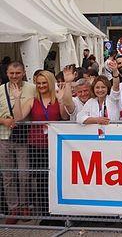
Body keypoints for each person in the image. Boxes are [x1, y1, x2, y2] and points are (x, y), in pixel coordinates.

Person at [13, 70, 72, 215]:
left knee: (56, 178)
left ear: (50, 82)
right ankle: (44, 212)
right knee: (40, 179)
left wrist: (60, 101)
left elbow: (64, 117)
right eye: (38, 83)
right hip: (36, 146)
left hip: (54, 145)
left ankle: (58, 211)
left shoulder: (57, 97)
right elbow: (18, 118)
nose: (41, 85)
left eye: (44, 82)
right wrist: (16, 99)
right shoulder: (32, 101)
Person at [0, 61, 36, 223]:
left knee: (24, 173)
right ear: (7, 74)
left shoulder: (31, 88)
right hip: (4, 136)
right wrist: (3, 121)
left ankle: (25, 205)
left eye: (17, 73)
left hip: (23, 136)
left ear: (23, 73)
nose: (14, 76)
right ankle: (13, 208)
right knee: (7, 175)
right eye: (11, 73)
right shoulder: (0, 90)